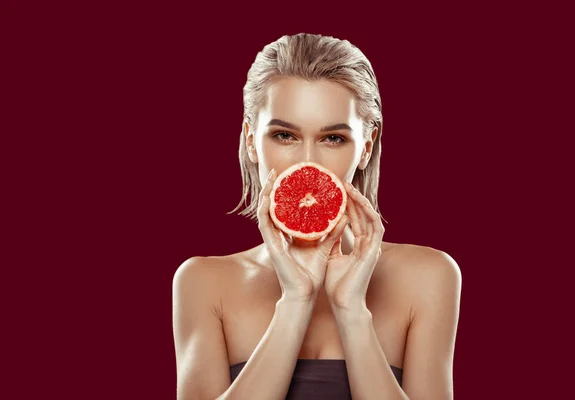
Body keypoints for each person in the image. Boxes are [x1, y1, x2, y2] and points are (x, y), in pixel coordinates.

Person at [172, 33, 462, 400]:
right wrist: (296, 299)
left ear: (366, 148)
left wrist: (351, 309)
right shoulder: (204, 283)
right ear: (250, 141)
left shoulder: (429, 276)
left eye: (333, 139)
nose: (307, 161)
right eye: (284, 135)